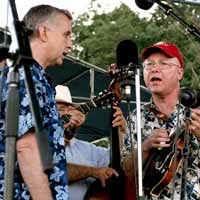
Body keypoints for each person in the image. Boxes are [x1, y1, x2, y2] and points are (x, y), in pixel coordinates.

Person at [0, 5, 73, 199]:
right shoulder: (26, 77)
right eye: (66, 35)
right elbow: (26, 147)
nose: (70, 44)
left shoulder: (36, 79)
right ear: (43, 32)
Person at [122, 41, 200, 200]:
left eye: (164, 64)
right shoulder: (134, 118)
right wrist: (145, 147)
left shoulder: (197, 109)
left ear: (180, 73)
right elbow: (125, 174)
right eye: (148, 64)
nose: (154, 69)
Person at [55, 84, 126, 200]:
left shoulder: (87, 149)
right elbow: (54, 170)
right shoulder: (37, 143)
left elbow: (116, 162)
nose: (66, 114)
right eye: (60, 109)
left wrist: (120, 132)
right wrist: (93, 171)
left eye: (70, 109)